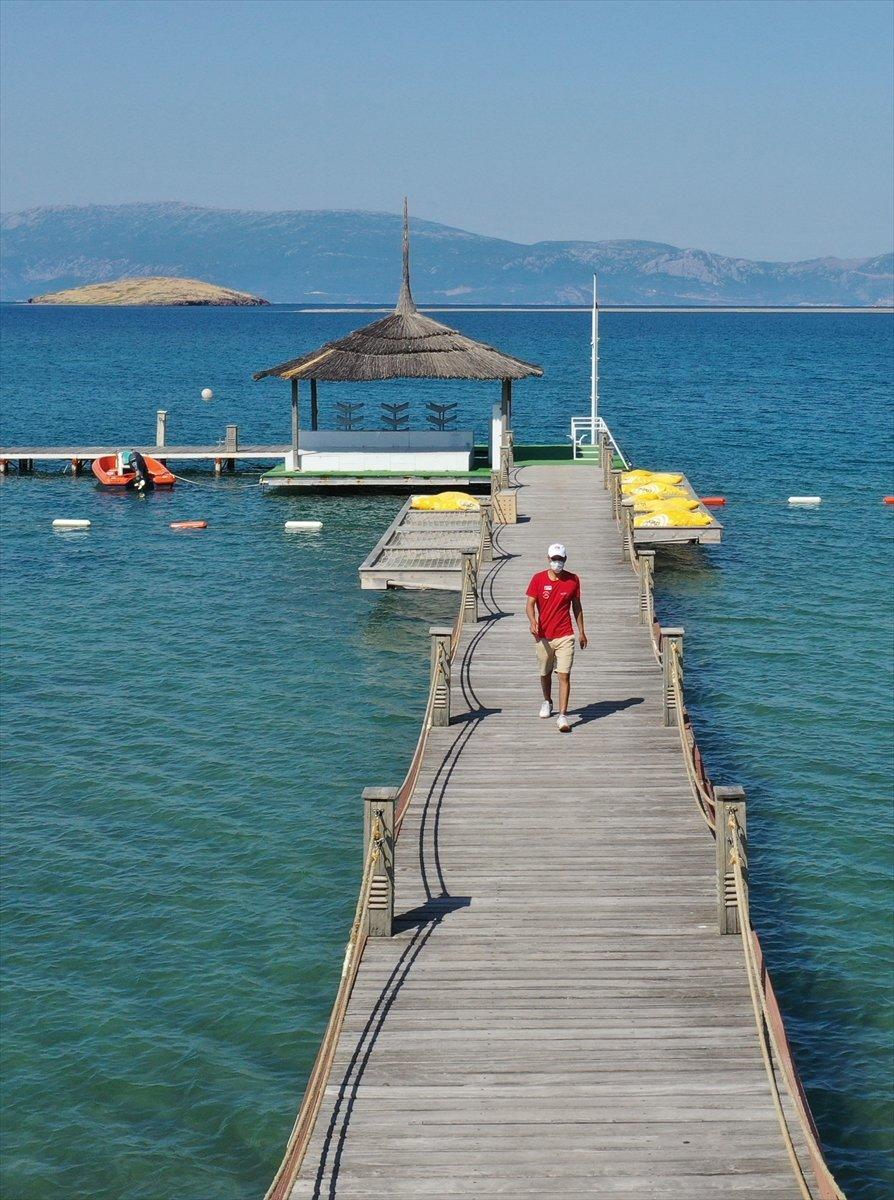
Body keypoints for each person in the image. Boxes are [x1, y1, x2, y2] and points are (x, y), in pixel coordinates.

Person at [525, 543, 587, 732]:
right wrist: (532, 620)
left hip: (565, 634)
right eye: (554, 559)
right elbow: (530, 604)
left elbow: (577, 606)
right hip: (543, 635)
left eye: (560, 559)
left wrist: (582, 631)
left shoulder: (573, 580)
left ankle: (562, 716)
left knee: (564, 674)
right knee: (544, 672)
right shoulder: (538, 579)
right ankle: (547, 700)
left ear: (565, 560)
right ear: (548, 559)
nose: (557, 563)